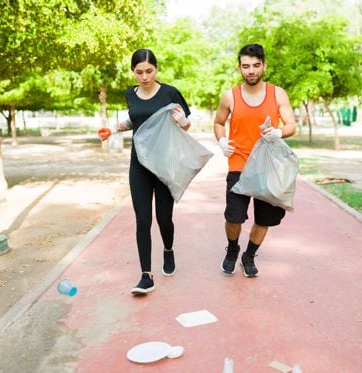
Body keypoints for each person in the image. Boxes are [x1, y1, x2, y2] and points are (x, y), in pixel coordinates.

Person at [98, 48, 191, 295]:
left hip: (164, 165)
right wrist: (113, 129)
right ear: (133, 72)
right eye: (139, 72)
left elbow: (186, 124)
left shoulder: (170, 93)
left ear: (156, 69)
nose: (144, 77)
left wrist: (181, 121)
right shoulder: (131, 94)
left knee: (163, 218)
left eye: (149, 71)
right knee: (142, 219)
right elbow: (134, 120)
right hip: (139, 164)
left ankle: (168, 250)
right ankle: (146, 276)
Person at [213, 43, 296, 277]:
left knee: (265, 219)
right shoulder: (229, 96)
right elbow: (219, 123)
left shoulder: (277, 93)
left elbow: (291, 125)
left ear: (264, 66)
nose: (251, 71)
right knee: (234, 217)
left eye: (256, 66)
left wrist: (279, 132)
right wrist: (221, 141)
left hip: (269, 167)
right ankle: (232, 249)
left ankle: (249, 255)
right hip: (239, 164)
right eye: (246, 66)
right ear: (239, 67)